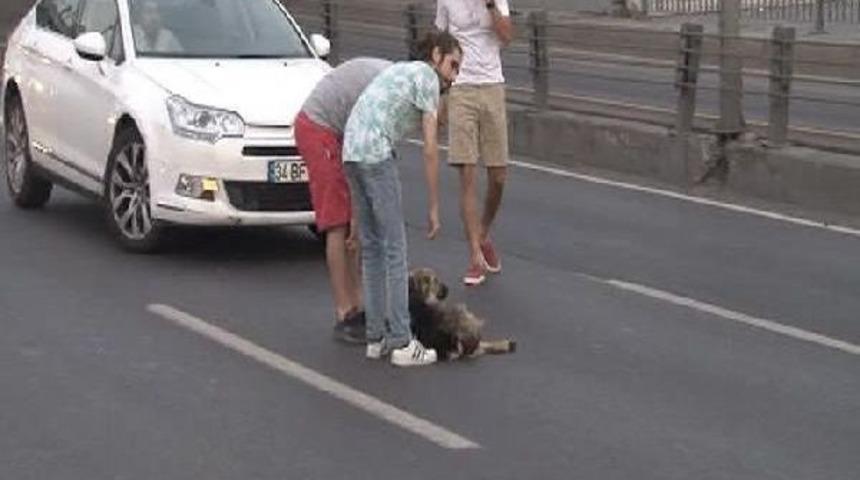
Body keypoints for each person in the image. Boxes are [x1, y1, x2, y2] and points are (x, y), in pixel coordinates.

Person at [342, 32, 462, 367]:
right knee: (395, 250)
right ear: (436, 55)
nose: (454, 76)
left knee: (373, 249)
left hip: (351, 151)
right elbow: (430, 147)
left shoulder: (402, 71)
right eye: (453, 65)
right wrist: (434, 206)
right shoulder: (426, 78)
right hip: (376, 154)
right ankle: (401, 340)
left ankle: (375, 337)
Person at [294, 57, 393, 344]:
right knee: (338, 223)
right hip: (318, 128)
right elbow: (360, 152)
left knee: (354, 222)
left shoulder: (396, 83)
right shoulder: (385, 94)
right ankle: (344, 311)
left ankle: (359, 305)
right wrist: (357, 213)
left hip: (340, 130)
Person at [435, 0, 514, 286]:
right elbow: (439, 44)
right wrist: (441, 93)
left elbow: (507, 36)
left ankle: (482, 233)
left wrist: (490, 5)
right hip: (460, 88)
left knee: (498, 176)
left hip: (492, 85)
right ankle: (475, 256)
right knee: (467, 173)